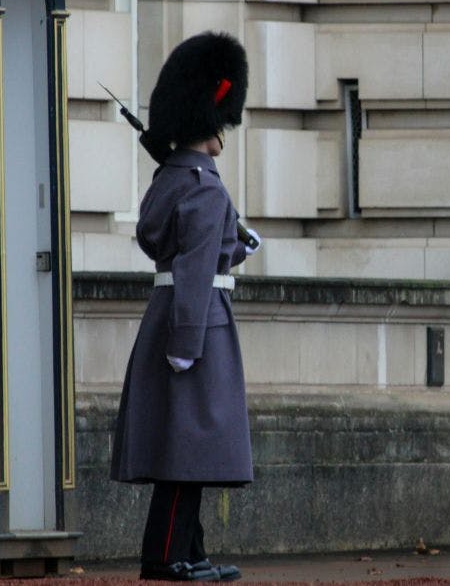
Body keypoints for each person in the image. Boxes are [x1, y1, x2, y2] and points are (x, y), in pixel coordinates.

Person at [110, 32, 258, 582]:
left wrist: (237, 241)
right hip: (196, 324)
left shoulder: (175, 180)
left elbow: (177, 246)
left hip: (172, 314)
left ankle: (189, 551)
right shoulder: (204, 188)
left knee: (187, 449)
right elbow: (196, 272)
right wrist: (187, 345)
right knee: (188, 450)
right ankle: (167, 557)